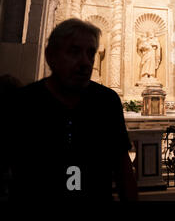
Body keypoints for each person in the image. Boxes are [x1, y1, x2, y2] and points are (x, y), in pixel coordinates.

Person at [5, 18, 138, 201]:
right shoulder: (25, 102)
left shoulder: (106, 101)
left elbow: (123, 167)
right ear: (51, 56)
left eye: (91, 53)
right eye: (74, 52)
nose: (85, 62)